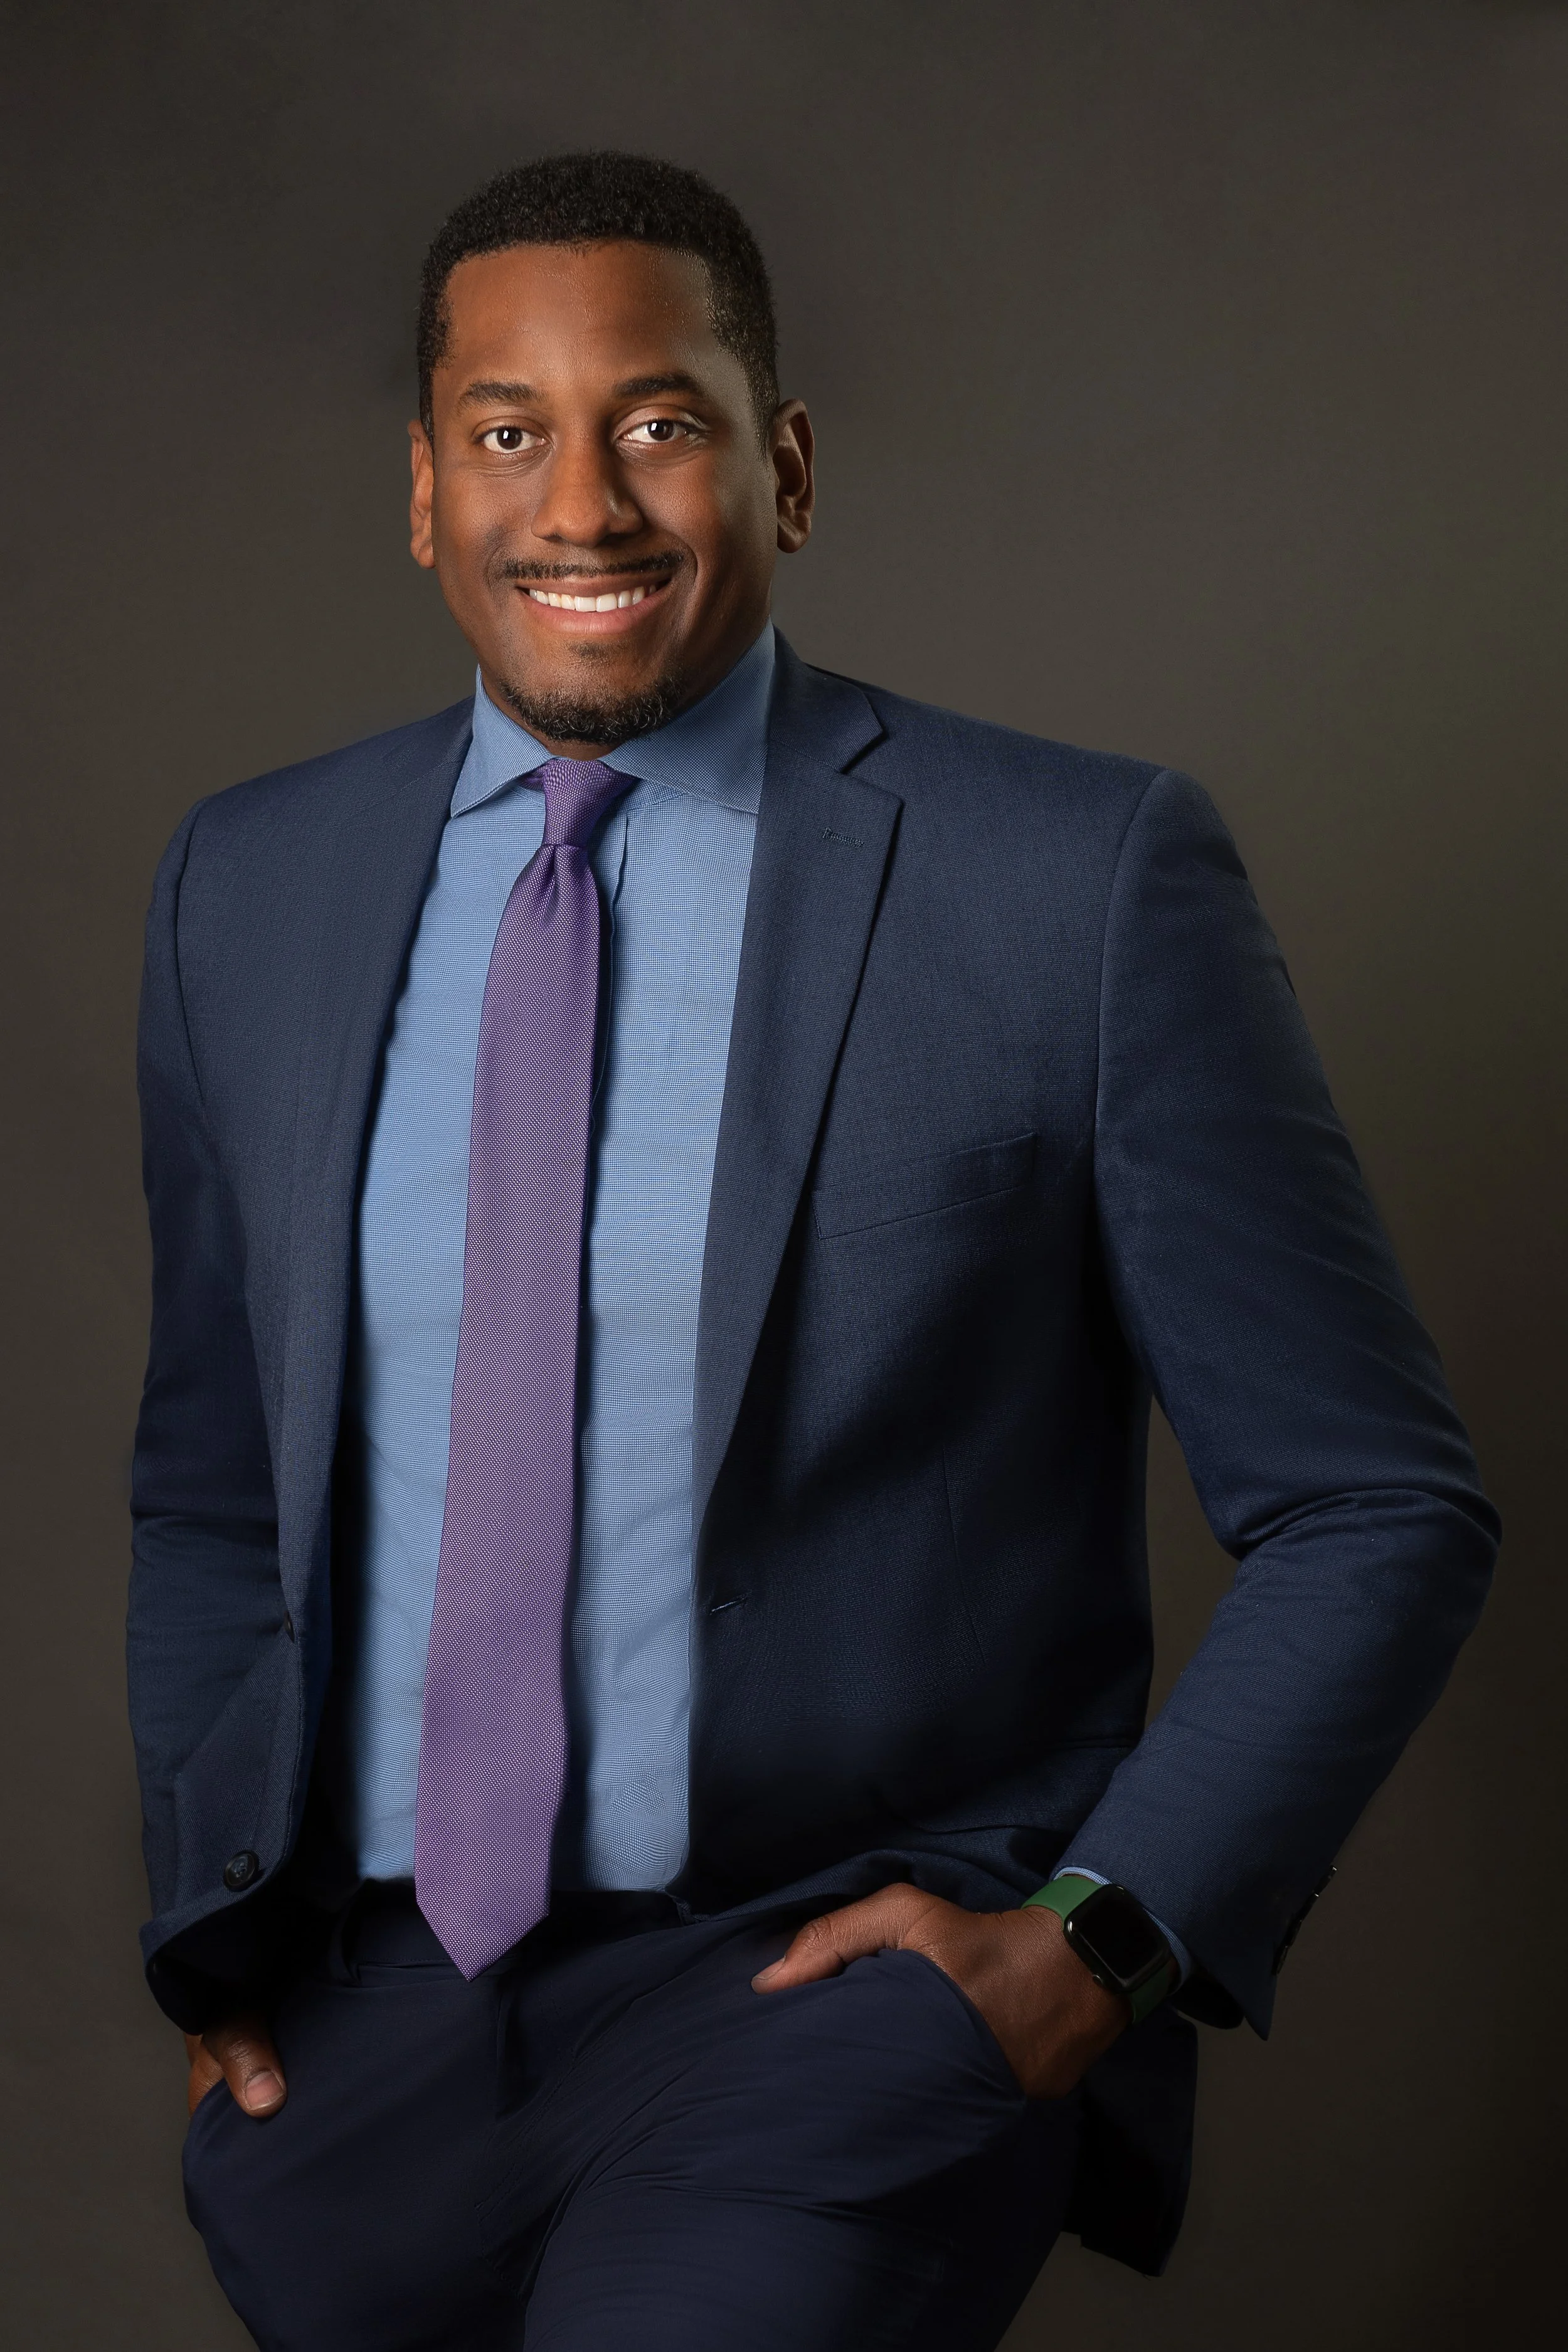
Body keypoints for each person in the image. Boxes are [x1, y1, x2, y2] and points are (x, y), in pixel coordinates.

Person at [129, 151, 1498, 2352]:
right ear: (421, 489)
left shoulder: (1070, 879)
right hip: (368, 2043)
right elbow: (212, 1477)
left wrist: (1098, 1942)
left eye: (656, 421)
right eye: (506, 432)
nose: (580, 505)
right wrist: (209, 1931)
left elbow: (1372, 1501)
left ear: (781, 466)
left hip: (825, 1986)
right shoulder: (249, 889)